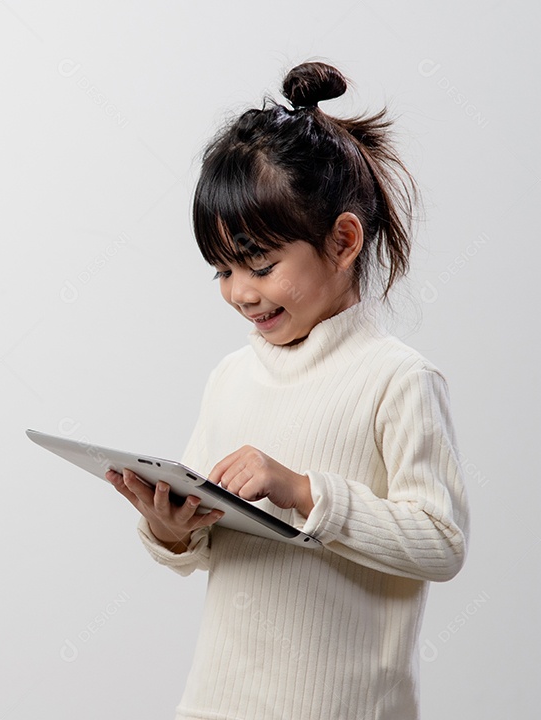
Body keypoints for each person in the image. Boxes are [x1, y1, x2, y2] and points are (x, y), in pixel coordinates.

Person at [105, 61, 470, 720]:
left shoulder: (396, 380)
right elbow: (203, 541)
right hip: (217, 705)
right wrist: (172, 529)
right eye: (223, 271)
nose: (241, 292)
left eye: (262, 265)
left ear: (342, 240)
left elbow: (441, 544)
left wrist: (304, 490)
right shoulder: (230, 378)